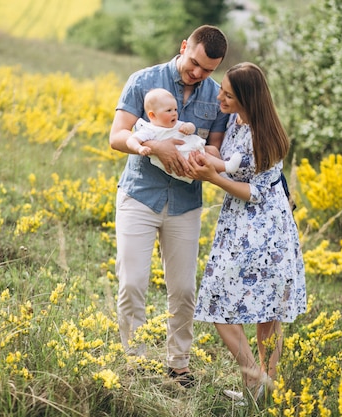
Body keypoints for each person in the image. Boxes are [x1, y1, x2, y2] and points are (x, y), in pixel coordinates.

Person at [109, 25, 229, 387]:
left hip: (186, 203)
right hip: (140, 195)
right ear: (183, 47)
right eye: (194, 63)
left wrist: (207, 162)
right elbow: (117, 135)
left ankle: (179, 365)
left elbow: (216, 149)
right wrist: (152, 147)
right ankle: (136, 360)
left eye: (208, 69)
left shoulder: (216, 97)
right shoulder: (144, 80)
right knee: (132, 283)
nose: (198, 74)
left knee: (183, 289)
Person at [187, 62, 307, 403]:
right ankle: (256, 380)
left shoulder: (263, 133)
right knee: (221, 302)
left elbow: (255, 192)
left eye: (228, 94)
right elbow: (227, 157)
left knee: (258, 310)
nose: (220, 97)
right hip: (236, 225)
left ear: (247, 99)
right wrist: (207, 154)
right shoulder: (232, 119)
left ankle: (261, 384)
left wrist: (211, 177)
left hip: (264, 230)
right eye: (222, 90)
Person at [126, 88, 242, 183]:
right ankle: (227, 167)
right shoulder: (150, 130)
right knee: (203, 157)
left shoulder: (175, 123)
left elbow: (190, 127)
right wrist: (140, 148)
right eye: (169, 110)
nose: (174, 113)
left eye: (175, 109)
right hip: (183, 160)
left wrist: (189, 127)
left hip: (191, 150)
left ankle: (224, 175)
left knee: (212, 150)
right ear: (152, 115)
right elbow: (131, 140)